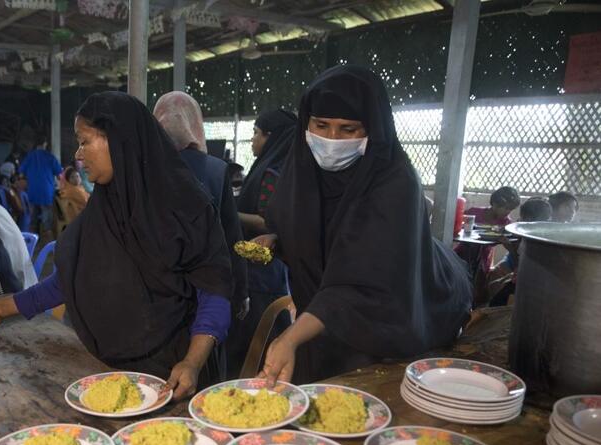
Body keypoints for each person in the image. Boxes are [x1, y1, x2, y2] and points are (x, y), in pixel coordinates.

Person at [0, 91, 233, 399]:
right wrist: (2, 308)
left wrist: (192, 362)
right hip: (109, 364)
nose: (78, 155)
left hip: (173, 371)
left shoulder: (186, 206)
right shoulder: (105, 207)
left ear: (118, 140)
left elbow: (214, 289)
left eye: (84, 141)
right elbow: (69, 280)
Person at [253, 64, 472, 385]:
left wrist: (291, 337)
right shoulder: (302, 169)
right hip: (320, 315)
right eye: (321, 125)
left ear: (373, 129)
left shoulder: (395, 183)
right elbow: (307, 229)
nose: (331, 139)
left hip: (389, 314)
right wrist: (279, 238)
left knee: (367, 388)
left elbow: (365, 278)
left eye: (348, 129)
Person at [153, 90, 249, 325]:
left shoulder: (145, 168)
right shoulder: (216, 170)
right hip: (208, 290)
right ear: (195, 122)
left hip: (157, 292)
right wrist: (240, 291)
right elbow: (232, 235)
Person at [229, 108, 296, 377]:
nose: (253, 139)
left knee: (258, 336)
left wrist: (229, 212)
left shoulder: (273, 172)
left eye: (256, 133)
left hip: (262, 270)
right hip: (271, 270)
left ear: (271, 137)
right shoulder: (284, 167)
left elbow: (267, 221)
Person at [488, 197, 552, 307]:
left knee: (495, 301)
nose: (519, 220)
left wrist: (509, 247)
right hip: (529, 280)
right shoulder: (544, 233)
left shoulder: (532, 240)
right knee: (493, 285)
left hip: (526, 284)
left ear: (527, 219)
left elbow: (522, 266)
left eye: (522, 218)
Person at [19, 133, 63, 237]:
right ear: (45, 143)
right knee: (47, 221)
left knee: (33, 219)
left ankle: (33, 241)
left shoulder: (29, 156)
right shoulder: (50, 157)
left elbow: (21, 173)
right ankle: (47, 242)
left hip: (32, 191)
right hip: (46, 192)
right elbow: (59, 174)